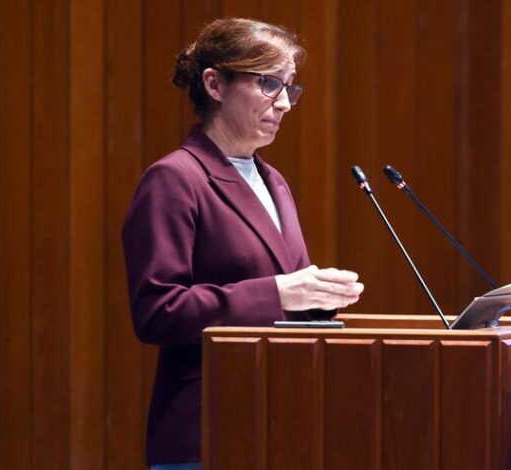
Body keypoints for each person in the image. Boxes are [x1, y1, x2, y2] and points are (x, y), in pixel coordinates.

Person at [121, 18, 364, 469]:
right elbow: (157, 313)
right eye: (269, 84)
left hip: (283, 426)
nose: (286, 103)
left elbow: (286, 297)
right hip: (209, 430)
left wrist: (321, 296)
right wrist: (280, 293)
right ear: (215, 84)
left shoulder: (273, 181)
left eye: (290, 87)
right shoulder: (175, 179)